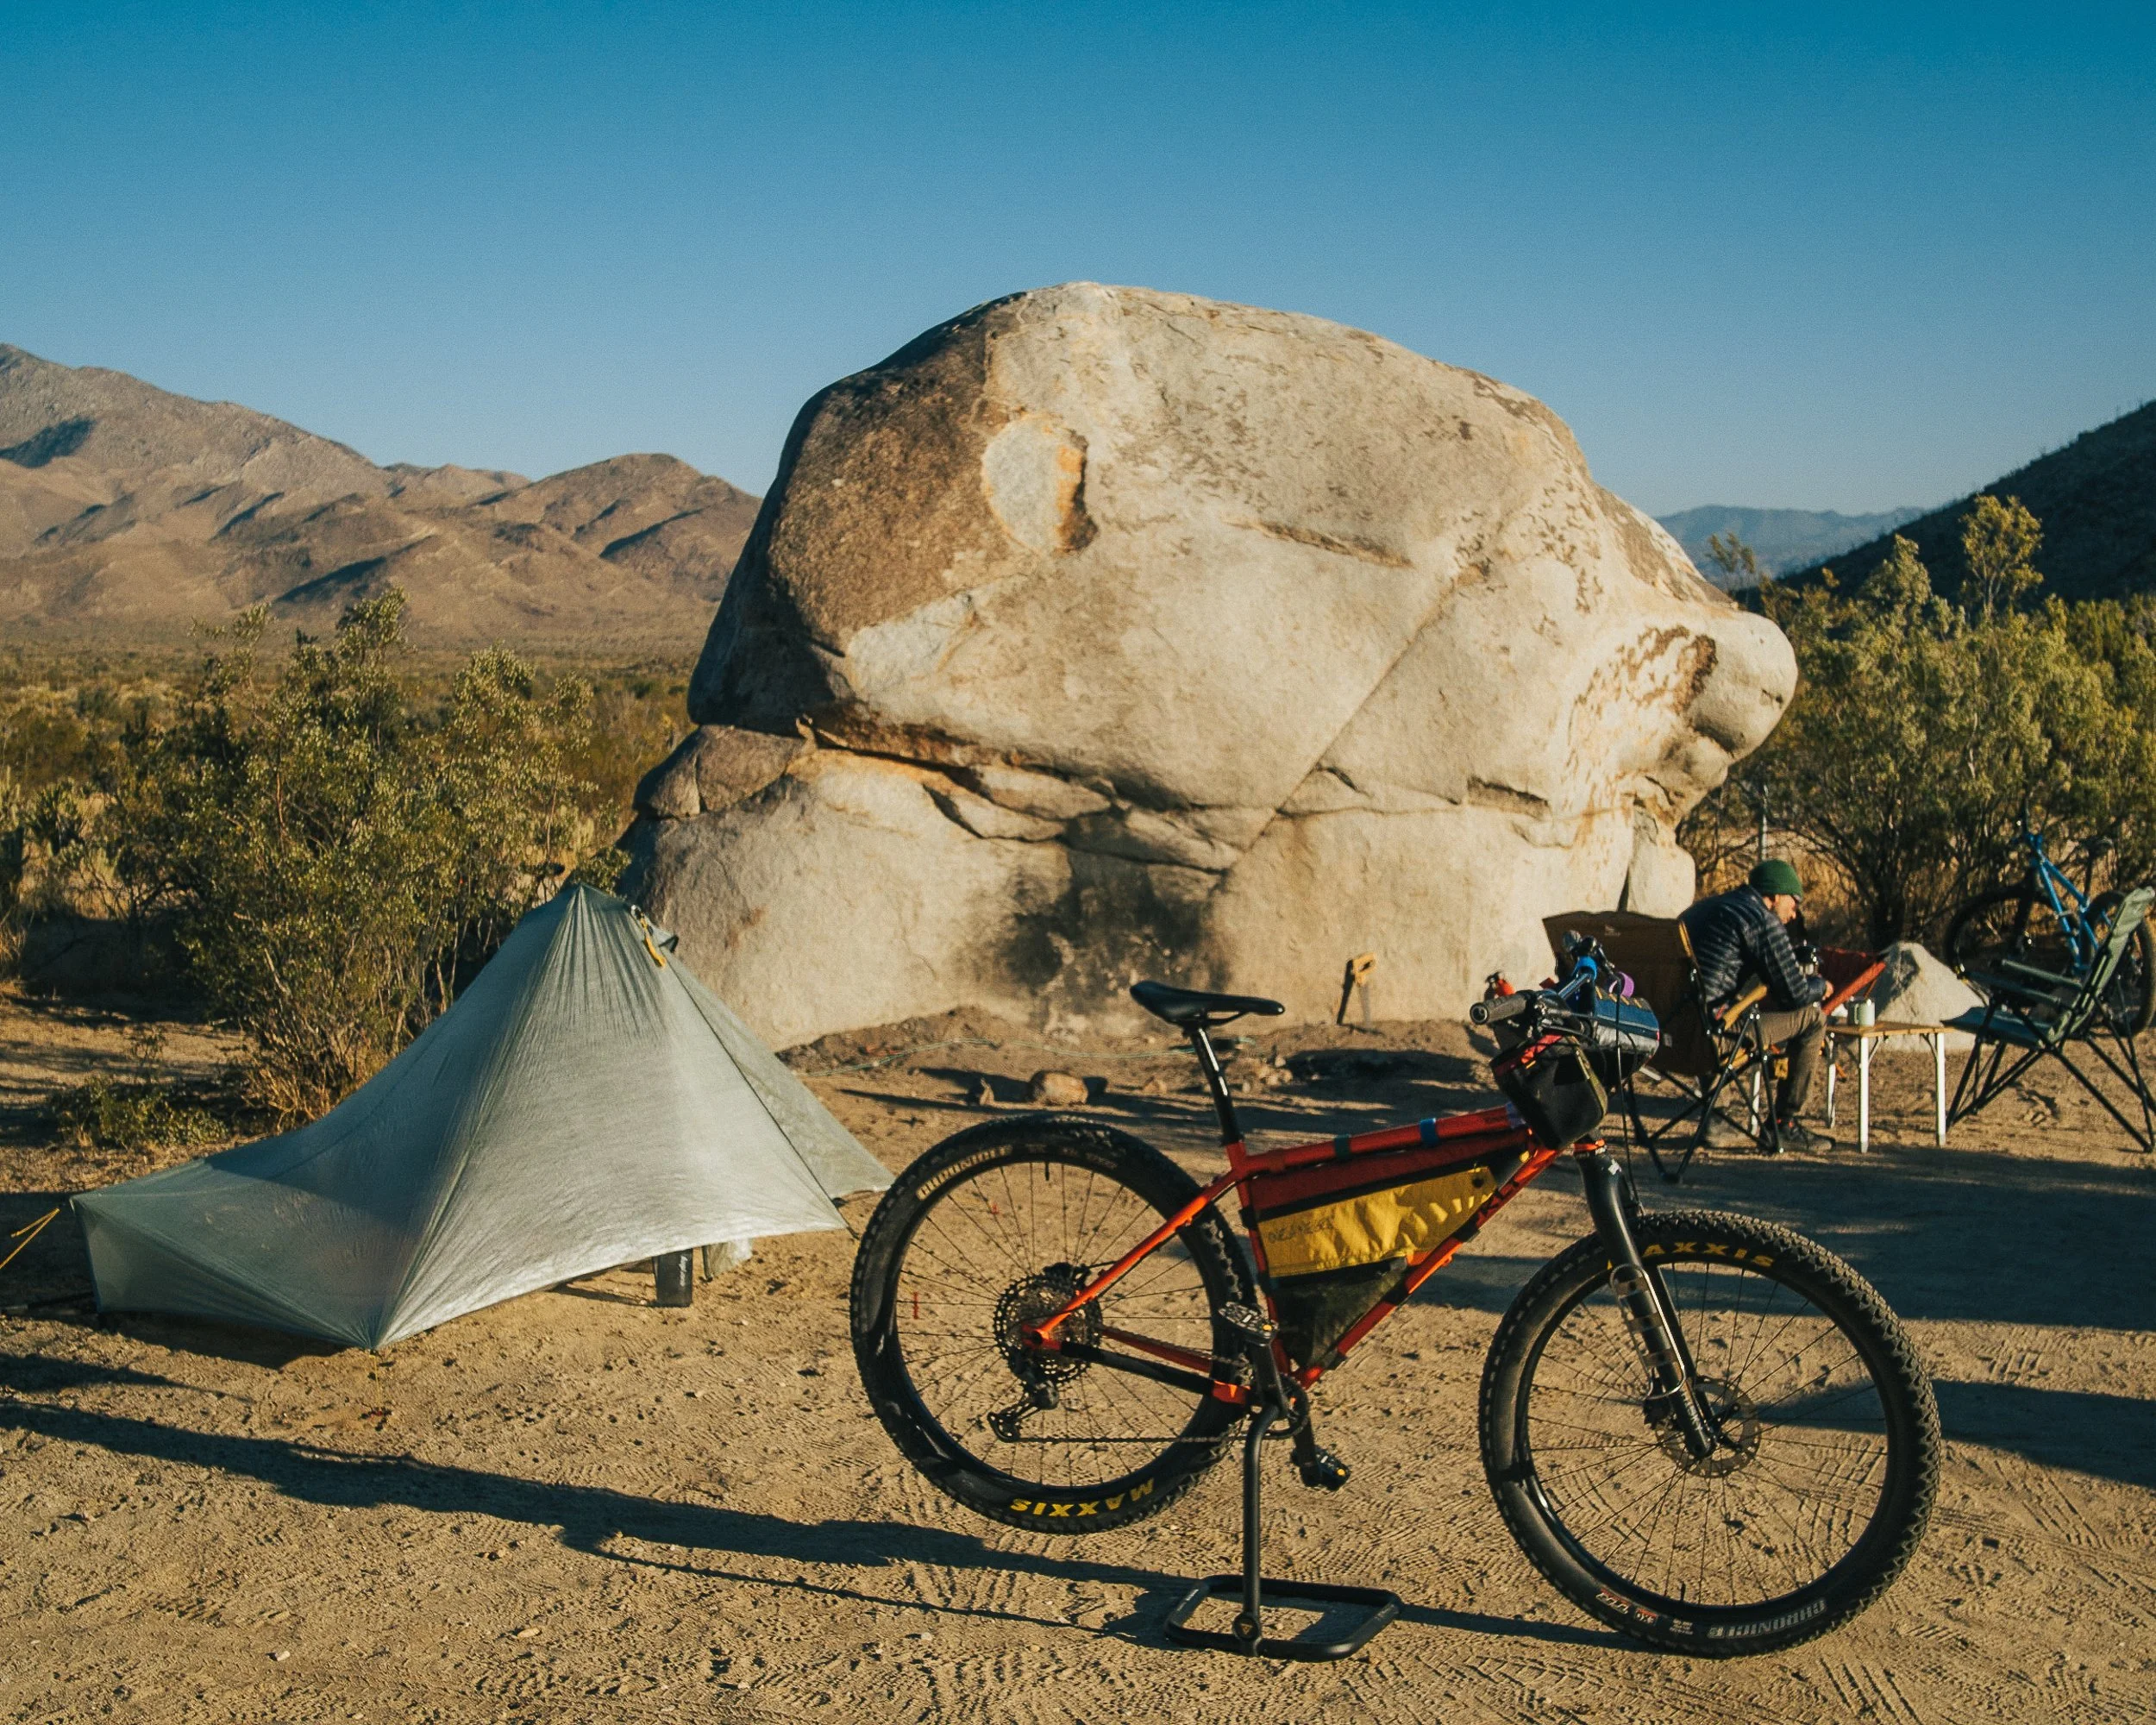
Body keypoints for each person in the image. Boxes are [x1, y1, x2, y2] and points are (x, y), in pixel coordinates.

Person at [1680, 857, 1832, 1153]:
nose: (1794, 912)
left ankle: (1716, 1118)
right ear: (1774, 895)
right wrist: (1821, 986)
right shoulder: (1761, 919)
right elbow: (1795, 995)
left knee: (1717, 1005)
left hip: (1673, 1036)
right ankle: (1784, 1124)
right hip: (1712, 1039)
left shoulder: (1703, 908)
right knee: (1813, 1019)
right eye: (1794, 901)